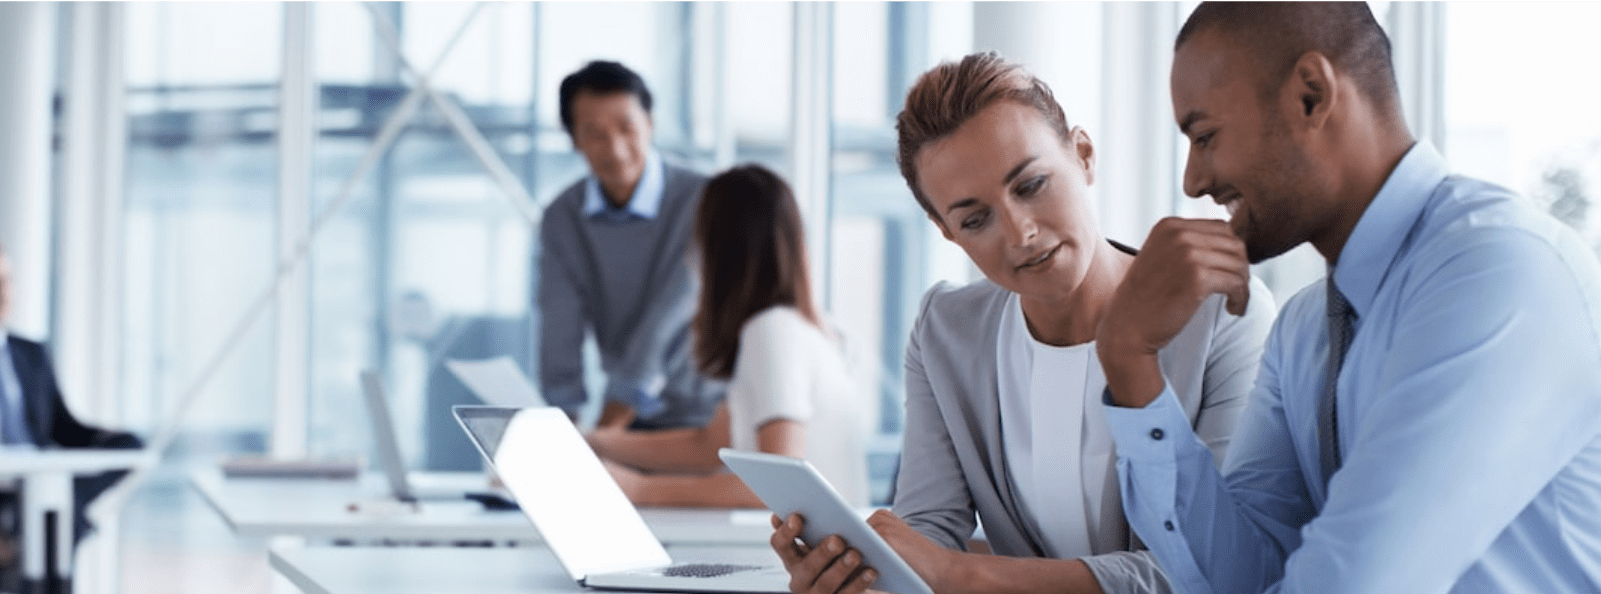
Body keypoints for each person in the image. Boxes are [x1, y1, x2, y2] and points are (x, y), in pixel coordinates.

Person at [1094, 3, 1601, 592]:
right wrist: (1128, 358)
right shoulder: (1304, 329)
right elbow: (1240, 578)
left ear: (1311, 95)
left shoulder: (1499, 272)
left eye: (1205, 136)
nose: (1193, 181)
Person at [769, 52, 1276, 594]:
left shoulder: (1220, 314)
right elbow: (928, 535)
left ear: (1083, 156)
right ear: (946, 232)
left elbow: (1213, 569)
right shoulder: (946, 331)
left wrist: (963, 573)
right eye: (975, 218)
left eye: (1031, 185)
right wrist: (866, 574)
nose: (1020, 233)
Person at [587, 164, 871, 508]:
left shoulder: (772, 332)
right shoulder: (799, 328)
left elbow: (780, 486)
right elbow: (710, 444)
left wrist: (641, 490)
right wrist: (596, 443)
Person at [538, 60, 724, 433]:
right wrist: (561, 431)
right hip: (631, 420)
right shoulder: (562, 217)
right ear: (574, 139)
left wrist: (604, 432)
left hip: (709, 415)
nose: (616, 149)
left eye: (627, 128)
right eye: (595, 133)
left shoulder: (704, 199)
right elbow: (559, 325)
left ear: (650, 124)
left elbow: (669, 315)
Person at [0, 243, 142, 585]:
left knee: (127, 447)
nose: (2, 291)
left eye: (6, 280)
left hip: (39, 474)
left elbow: (63, 426)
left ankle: (60, 514)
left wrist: (113, 442)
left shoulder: (30, 352)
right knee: (54, 530)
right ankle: (59, 521)